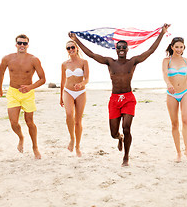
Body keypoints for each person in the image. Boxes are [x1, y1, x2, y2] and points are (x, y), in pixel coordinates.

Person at [68, 24, 170, 166]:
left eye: (124, 47)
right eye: (119, 47)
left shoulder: (133, 61)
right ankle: (120, 138)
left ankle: (126, 157)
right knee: (113, 133)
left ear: (127, 49)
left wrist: (162, 33)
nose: (121, 50)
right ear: (116, 49)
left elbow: (151, 50)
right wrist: (76, 40)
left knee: (127, 128)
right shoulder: (110, 62)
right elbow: (91, 54)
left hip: (128, 98)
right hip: (114, 100)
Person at [0, 34, 46, 159]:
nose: (22, 45)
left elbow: (43, 79)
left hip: (28, 94)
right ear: (16, 44)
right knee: (13, 122)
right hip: (13, 92)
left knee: (29, 122)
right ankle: (21, 137)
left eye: (24, 43)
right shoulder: (7, 59)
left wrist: (30, 87)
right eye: (20, 43)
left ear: (28, 45)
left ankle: (35, 147)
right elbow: (1, 73)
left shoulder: (34, 59)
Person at [162, 37, 187, 163]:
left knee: (185, 120)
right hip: (171, 94)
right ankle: (178, 153)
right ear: (172, 47)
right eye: (177, 47)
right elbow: (164, 73)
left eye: (181, 47)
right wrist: (168, 83)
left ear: (184, 47)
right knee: (175, 123)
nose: (179, 49)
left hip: (185, 92)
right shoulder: (166, 60)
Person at [60, 40, 89, 157]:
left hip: (80, 92)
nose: (71, 49)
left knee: (78, 121)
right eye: (68, 48)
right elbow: (62, 81)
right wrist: (60, 96)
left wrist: (81, 84)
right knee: (69, 114)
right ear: (66, 50)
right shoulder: (64, 64)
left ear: (77, 48)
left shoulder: (84, 62)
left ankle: (77, 146)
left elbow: (86, 78)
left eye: (72, 47)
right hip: (67, 91)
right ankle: (72, 138)